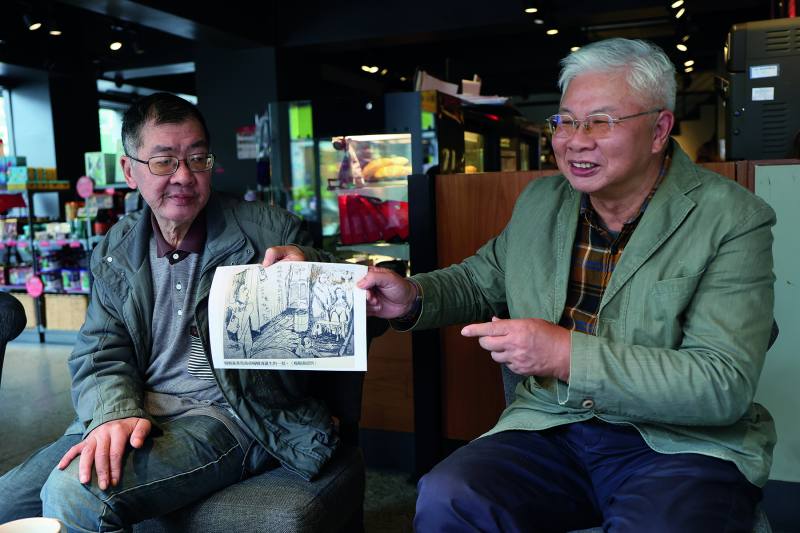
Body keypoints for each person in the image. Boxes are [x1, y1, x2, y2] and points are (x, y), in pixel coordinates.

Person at [359, 38, 776, 532]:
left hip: (681, 444)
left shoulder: (732, 217)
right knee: (449, 496)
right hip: (551, 424)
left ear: (659, 129)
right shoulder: (542, 201)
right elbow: (478, 281)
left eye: (600, 121)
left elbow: (721, 384)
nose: (576, 140)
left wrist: (565, 355)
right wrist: (413, 296)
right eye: (565, 121)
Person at [0, 92, 337, 530]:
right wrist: (115, 412)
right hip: (140, 407)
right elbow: (101, 351)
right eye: (164, 161)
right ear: (129, 170)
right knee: (7, 500)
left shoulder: (266, 233)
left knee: (74, 492)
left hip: (227, 413)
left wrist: (311, 267)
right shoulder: (116, 249)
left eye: (198, 159)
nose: (184, 176)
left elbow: (344, 296)